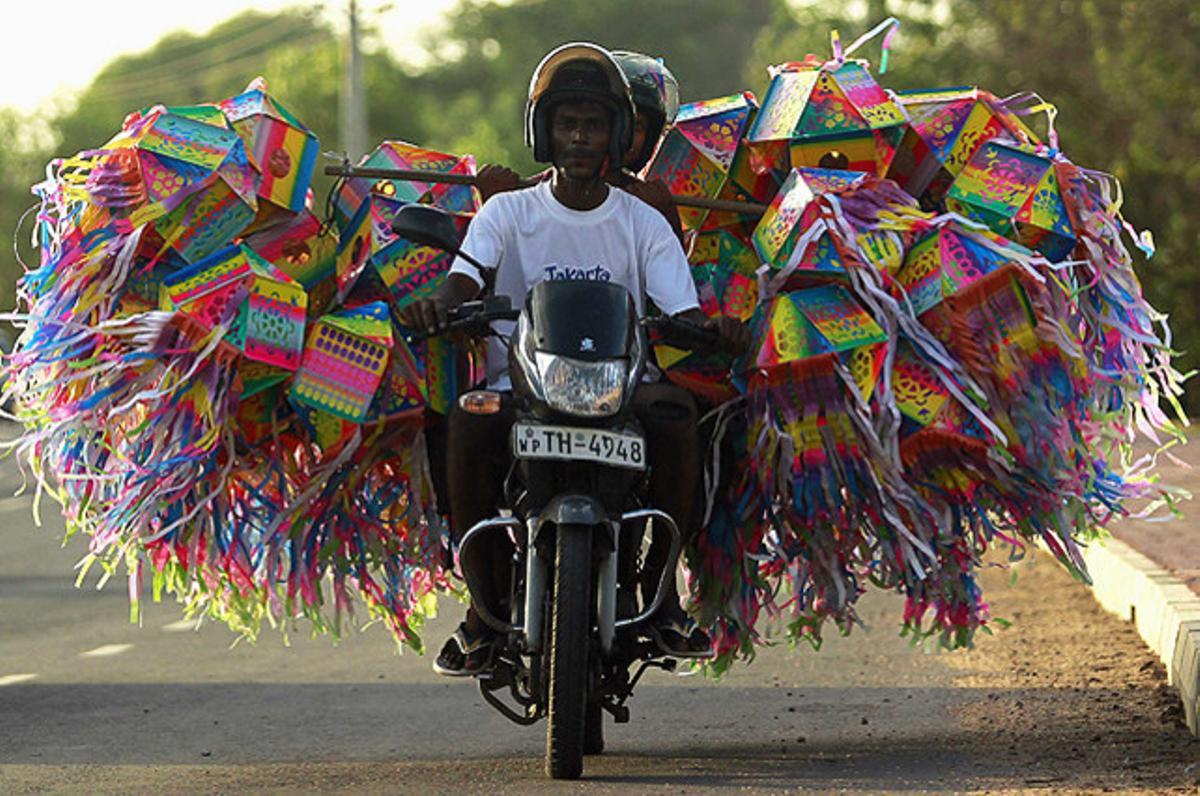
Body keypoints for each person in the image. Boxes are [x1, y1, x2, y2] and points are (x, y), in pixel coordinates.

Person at [400, 42, 748, 676]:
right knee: (467, 415)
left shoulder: (643, 219)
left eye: (593, 125)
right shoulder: (506, 212)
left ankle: (663, 595)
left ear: (615, 132)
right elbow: (463, 281)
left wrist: (718, 328)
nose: (580, 138)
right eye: (567, 124)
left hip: (622, 392)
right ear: (544, 132)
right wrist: (436, 306)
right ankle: (483, 604)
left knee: (675, 412)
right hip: (525, 389)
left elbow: (681, 307)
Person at [474, 49, 683, 242]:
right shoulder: (519, 198)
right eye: (569, 123)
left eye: (636, 126)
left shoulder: (652, 203)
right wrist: (494, 207)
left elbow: (675, 276)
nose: (582, 137)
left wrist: (662, 218)